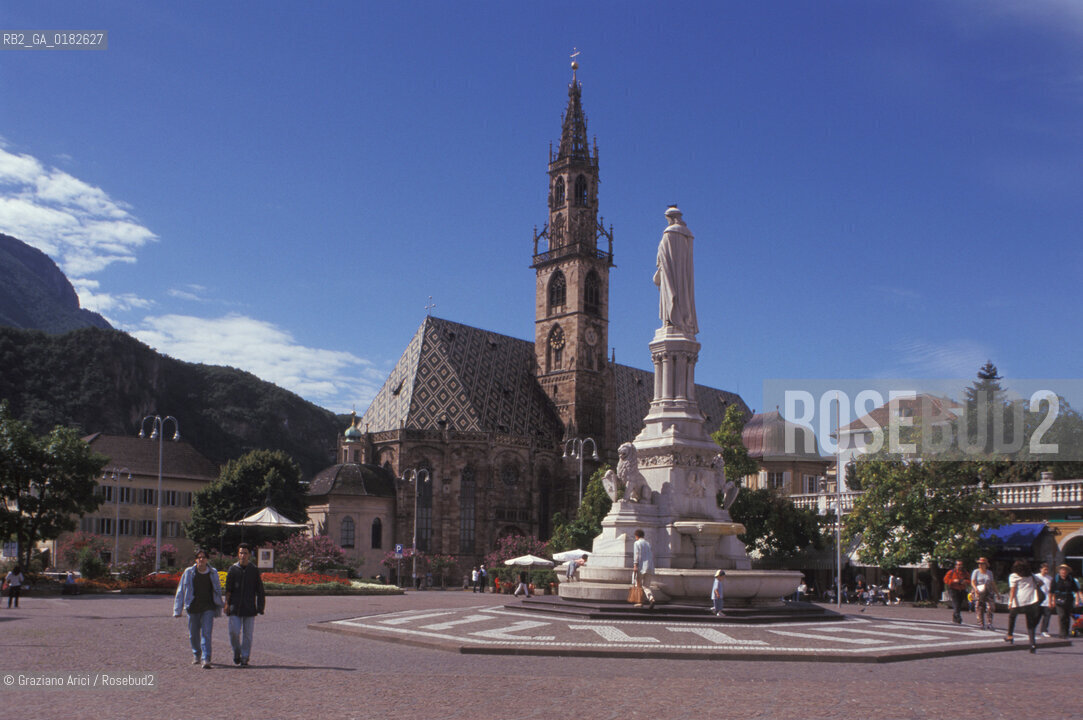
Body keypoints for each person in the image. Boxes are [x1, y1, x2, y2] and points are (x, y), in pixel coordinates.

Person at [173, 549, 224, 669]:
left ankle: (206, 658)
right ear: (196, 560)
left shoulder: (213, 572)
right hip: (193, 607)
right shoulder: (189, 572)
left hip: (208, 607)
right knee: (193, 634)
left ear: (207, 559)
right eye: (199, 557)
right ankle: (196, 653)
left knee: (206, 633)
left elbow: (217, 589)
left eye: (204, 557)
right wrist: (177, 610)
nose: (201, 559)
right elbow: (181, 590)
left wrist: (220, 603)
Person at [653, 206, 698, 335]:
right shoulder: (687, 235)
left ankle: (671, 319)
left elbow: (663, 257)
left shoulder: (669, 233)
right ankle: (683, 319)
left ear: (671, 218)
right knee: (683, 294)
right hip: (683, 277)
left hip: (670, 274)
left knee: (671, 291)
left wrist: (660, 268)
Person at [224, 543, 265, 667]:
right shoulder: (233, 569)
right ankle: (237, 652)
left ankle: (245, 657)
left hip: (249, 608)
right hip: (235, 607)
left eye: (245, 553)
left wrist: (260, 606)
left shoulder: (253, 570)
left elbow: (260, 590)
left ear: (249, 555)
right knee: (234, 632)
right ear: (238, 554)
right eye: (241, 553)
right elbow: (228, 589)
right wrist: (226, 604)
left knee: (248, 635)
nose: (243, 555)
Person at [1005, 559, 1042, 653]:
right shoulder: (1031, 575)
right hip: (1031, 601)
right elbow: (1041, 583)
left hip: (1018, 601)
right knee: (1030, 625)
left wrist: (1010, 602)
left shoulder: (1013, 576)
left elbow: (1012, 590)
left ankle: (1010, 635)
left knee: (1012, 617)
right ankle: (1032, 644)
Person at [1050, 564, 1080, 639]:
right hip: (1059, 600)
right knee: (1062, 616)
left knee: (1067, 616)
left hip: (1069, 600)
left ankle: (1066, 632)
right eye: (1062, 570)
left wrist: (1077, 601)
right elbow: (1051, 591)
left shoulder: (1070, 579)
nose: (1063, 571)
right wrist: (1051, 601)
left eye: (1065, 570)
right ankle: (1062, 633)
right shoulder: (1056, 579)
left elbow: (1076, 590)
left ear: (1067, 571)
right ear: (1059, 571)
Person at [632, 528, 656, 610]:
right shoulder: (648, 543)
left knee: (638, 584)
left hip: (641, 567)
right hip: (649, 567)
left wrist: (635, 565)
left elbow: (636, 554)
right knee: (646, 586)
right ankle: (651, 599)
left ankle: (639, 602)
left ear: (636, 536)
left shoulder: (637, 543)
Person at [970, 557, 996, 630]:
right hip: (979, 590)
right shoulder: (976, 572)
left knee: (991, 607)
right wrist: (975, 589)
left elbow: (992, 583)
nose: (980, 565)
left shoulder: (989, 572)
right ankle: (981, 623)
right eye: (979, 563)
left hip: (988, 590)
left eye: (982, 563)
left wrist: (997, 593)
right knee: (979, 607)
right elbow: (973, 581)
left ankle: (990, 623)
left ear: (986, 564)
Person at [943, 560, 969, 624]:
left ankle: (955, 616)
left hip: (962, 590)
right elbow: (945, 580)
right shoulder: (951, 572)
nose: (960, 566)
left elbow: (970, 580)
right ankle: (958, 617)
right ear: (956, 565)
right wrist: (953, 581)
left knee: (959, 604)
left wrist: (965, 581)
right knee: (956, 603)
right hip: (953, 589)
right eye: (958, 565)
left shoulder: (965, 573)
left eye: (961, 565)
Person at [1036, 562, 1054, 637]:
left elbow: (1052, 590)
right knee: (1037, 616)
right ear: (1041, 569)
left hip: (1047, 600)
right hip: (1038, 600)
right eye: (1044, 569)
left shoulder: (1050, 578)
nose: (1046, 571)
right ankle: (1032, 629)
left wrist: (1052, 600)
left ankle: (1044, 630)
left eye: (1047, 569)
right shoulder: (1036, 577)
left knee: (1047, 616)